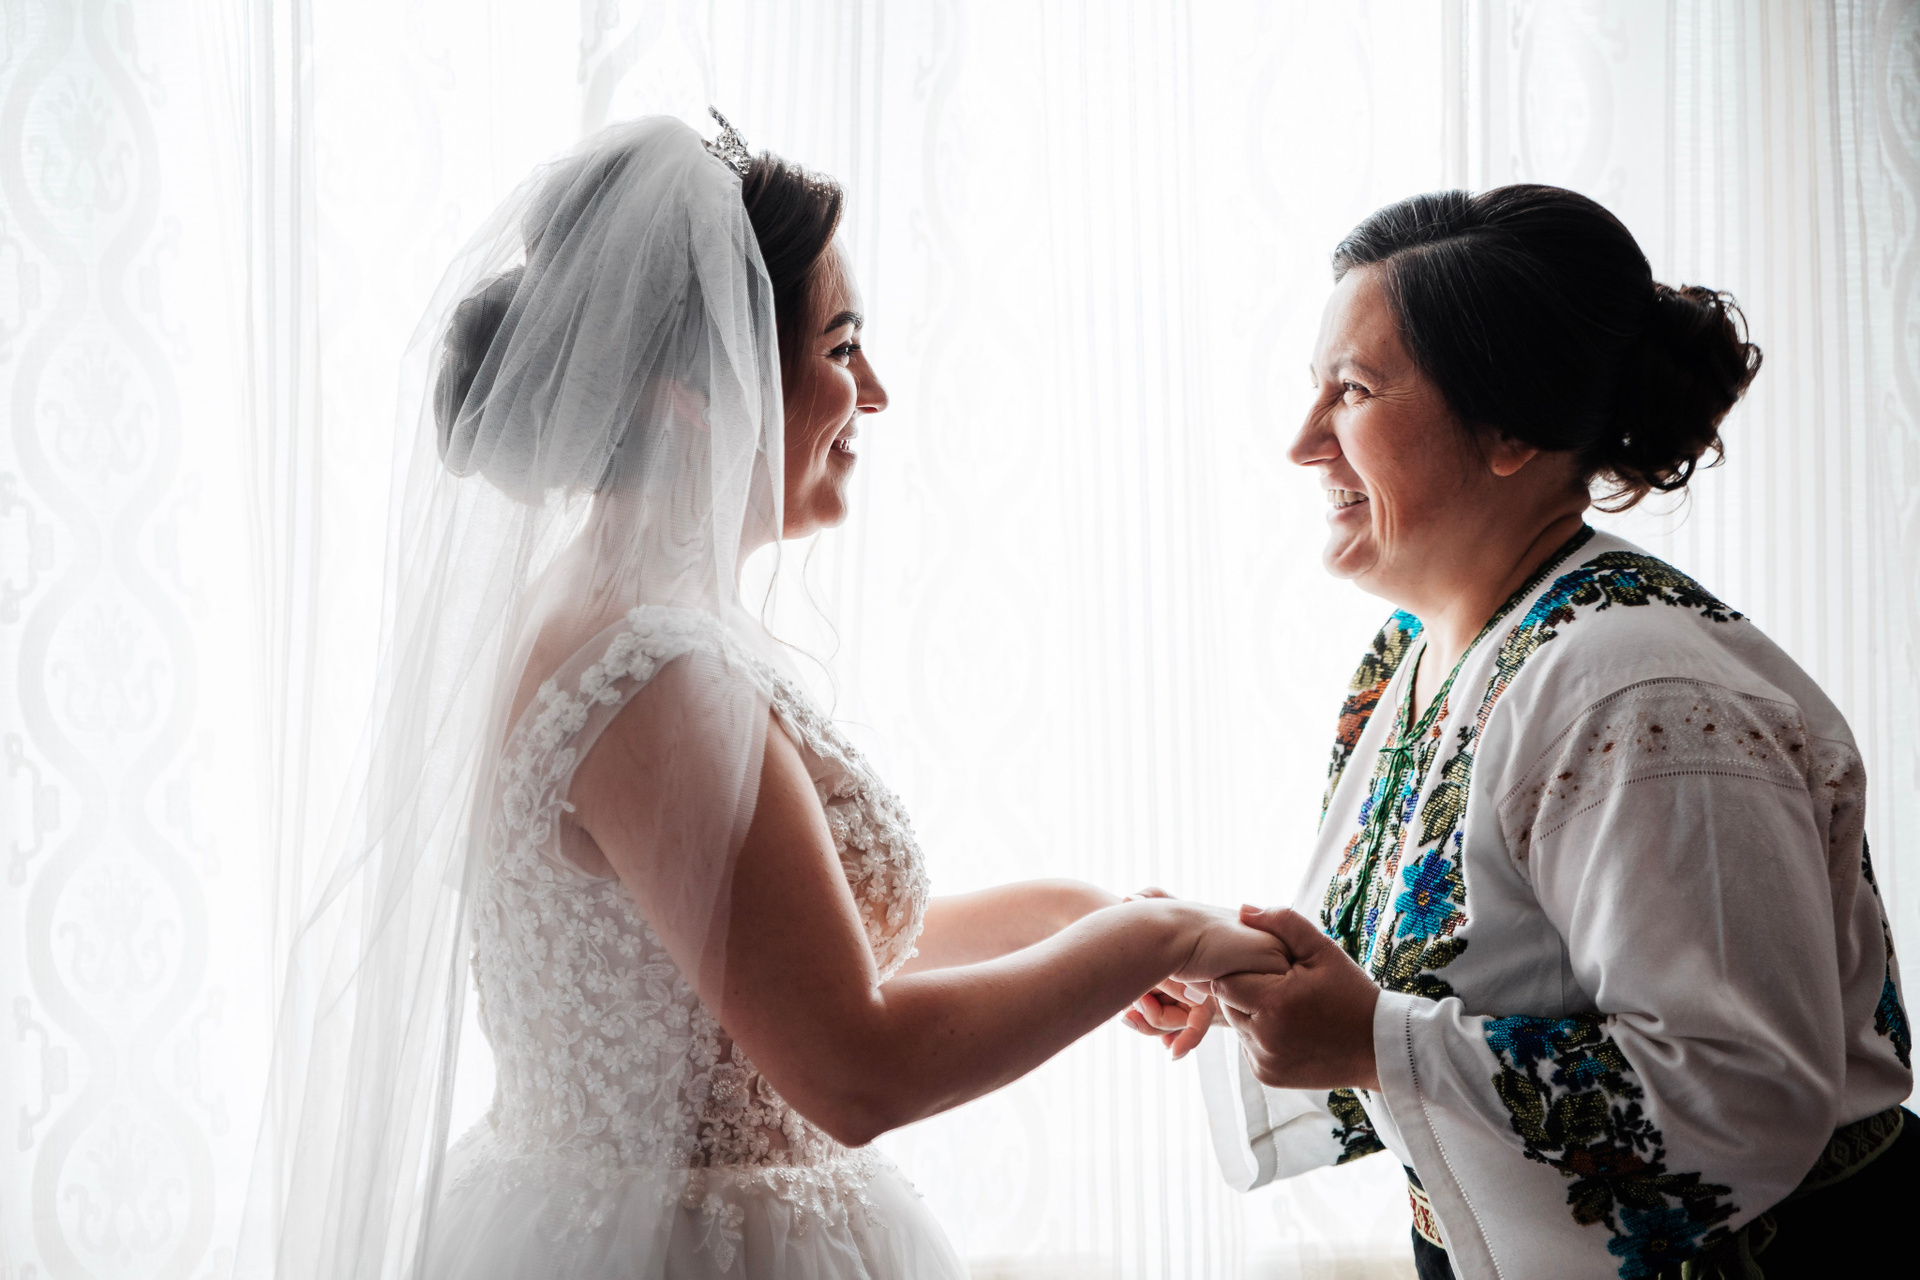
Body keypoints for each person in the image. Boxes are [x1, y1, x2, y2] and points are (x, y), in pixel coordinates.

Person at [242, 113, 1289, 1280]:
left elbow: (765, 962)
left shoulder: (595, 614)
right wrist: (1156, 936)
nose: (874, 393)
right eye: (842, 347)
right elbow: (854, 1070)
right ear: (702, 391)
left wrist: (1074, 916)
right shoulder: (658, 679)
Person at [1132, 185, 1914, 1278]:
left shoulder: (1638, 692)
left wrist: (1370, 1038)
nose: (1304, 441)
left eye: (1352, 391)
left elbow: (1741, 1091)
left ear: (1512, 429)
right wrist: (1238, 966)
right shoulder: (1415, 653)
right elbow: (1487, 962)